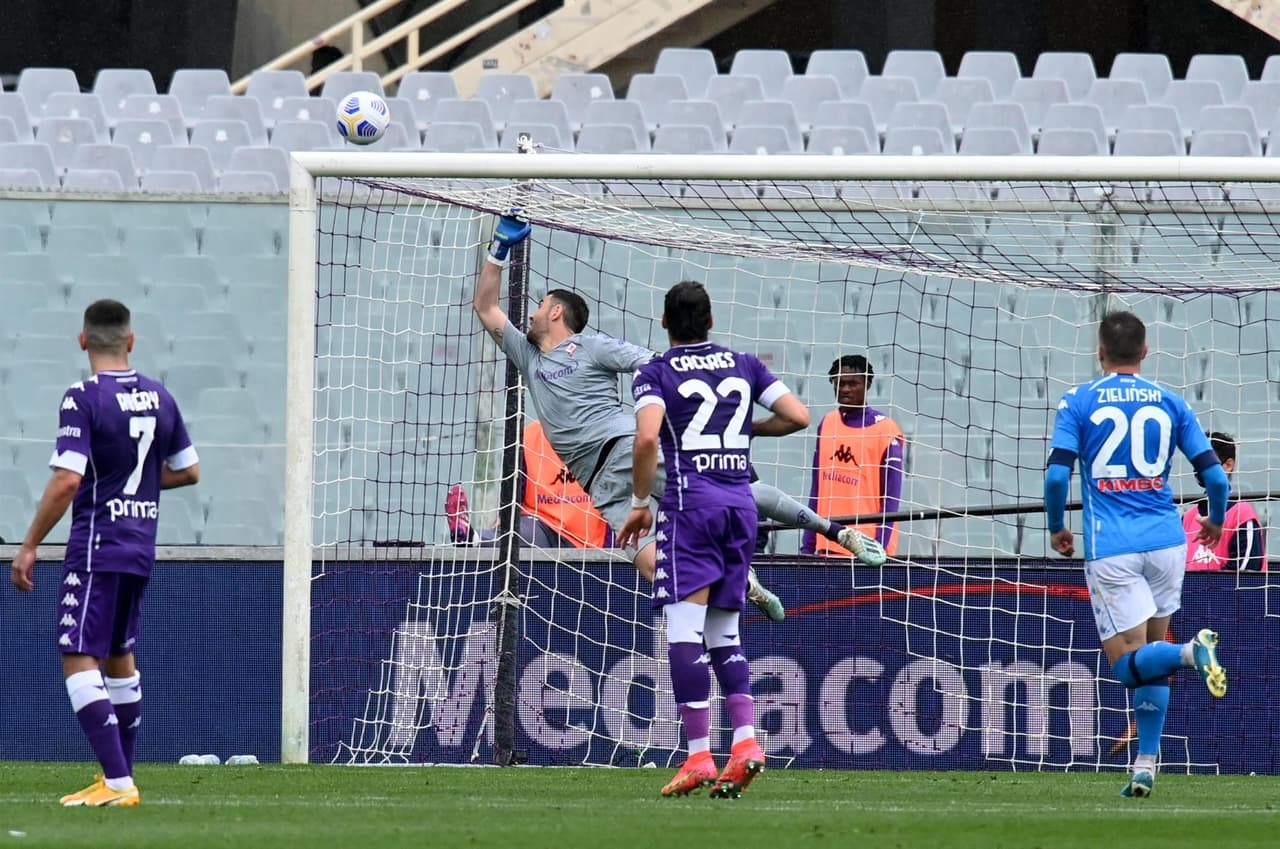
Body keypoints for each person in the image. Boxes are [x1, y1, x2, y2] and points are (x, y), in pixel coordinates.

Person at [473, 212, 886, 623]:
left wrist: (697, 401)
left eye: (540, 305)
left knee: (731, 491)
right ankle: (738, 580)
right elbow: (486, 307)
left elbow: (654, 364)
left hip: (624, 452)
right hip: (599, 483)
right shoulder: (528, 357)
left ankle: (837, 531)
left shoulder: (591, 347)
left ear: (558, 313)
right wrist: (498, 250)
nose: (530, 313)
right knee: (655, 568)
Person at [618, 280, 807, 797]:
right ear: (710, 321)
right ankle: (745, 742)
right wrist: (744, 428)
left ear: (663, 323)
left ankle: (699, 754)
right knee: (724, 633)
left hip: (691, 510)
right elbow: (798, 416)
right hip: (741, 508)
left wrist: (638, 504)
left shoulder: (653, 372)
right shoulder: (745, 365)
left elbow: (648, 437)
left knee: (684, 632)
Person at [10, 299, 200, 807]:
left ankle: (117, 781)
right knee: (118, 655)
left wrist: (29, 544)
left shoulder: (83, 397)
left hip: (96, 545)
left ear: (82, 340)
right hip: (140, 543)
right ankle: (119, 779)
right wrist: (131, 487)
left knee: (78, 654)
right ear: (131, 341)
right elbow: (189, 470)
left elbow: (68, 479)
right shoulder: (161, 397)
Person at [1043, 310, 1229, 799]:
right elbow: (1215, 477)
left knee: (1127, 664)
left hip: (1114, 547)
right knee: (1151, 660)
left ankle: (1193, 651)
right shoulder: (1170, 401)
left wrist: (1057, 526)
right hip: (1169, 543)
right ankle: (1146, 763)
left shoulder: (1078, 400)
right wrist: (1215, 518)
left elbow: (1058, 477)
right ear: (1145, 352)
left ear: (1099, 351)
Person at [445, 419, 612, 549]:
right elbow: (514, 498)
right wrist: (502, 524)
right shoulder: (527, 436)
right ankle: (471, 539)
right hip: (542, 527)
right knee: (517, 532)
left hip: (588, 542)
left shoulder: (605, 434)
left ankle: (478, 539)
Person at [803, 354, 905, 557]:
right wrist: (807, 545)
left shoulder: (886, 430)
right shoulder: (827, 424)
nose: (845, 389)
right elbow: (817, 489)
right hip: (827, 546)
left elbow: (891, 499)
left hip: (866, 549)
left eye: (852, 383)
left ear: (867, 384)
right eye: (839, 383)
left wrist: (879, 548)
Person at [1183, 431, 1266, 572]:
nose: (1199, 470)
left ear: (1228, 465)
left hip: (1227, 594)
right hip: (1189, 594)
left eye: (1207, 464)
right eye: (1197, 463)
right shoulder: (1188, 517)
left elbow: (1247, 573)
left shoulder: (1242, 514)